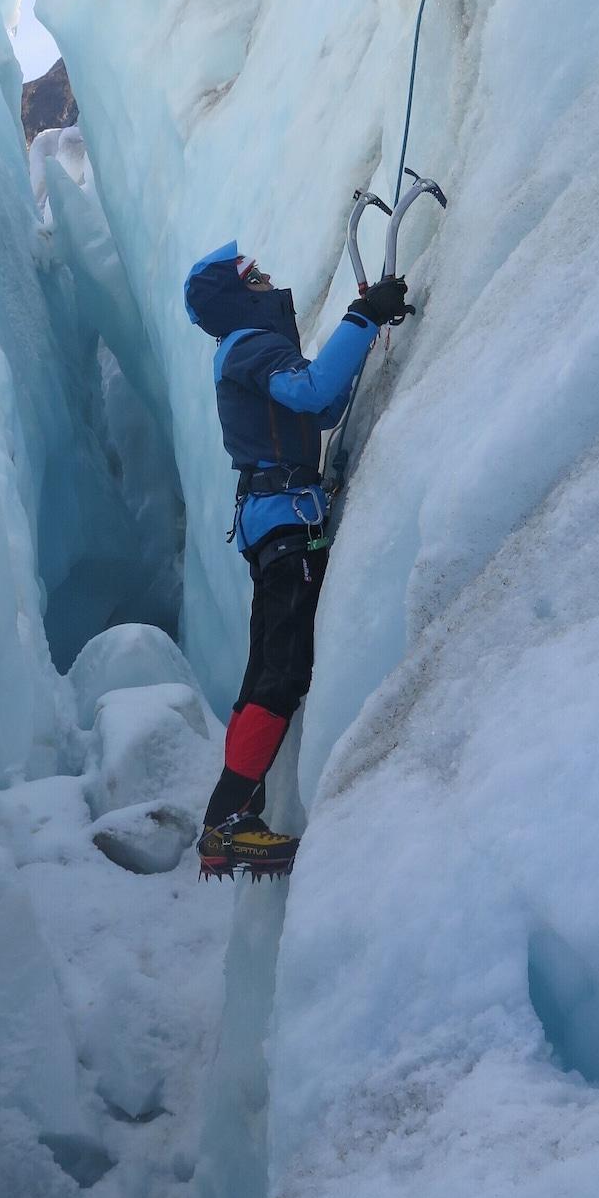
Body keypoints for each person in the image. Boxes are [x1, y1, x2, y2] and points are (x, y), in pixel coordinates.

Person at [182, 243, 410, 878]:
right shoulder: (251, 345)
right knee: (281, 670)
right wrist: (364, 316)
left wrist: (363, 332)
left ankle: (232, 812)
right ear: (235, 296)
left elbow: (323, 406)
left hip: (273, 518)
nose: (267, 277)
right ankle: (227, 819)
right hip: (285, 518)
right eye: (253, 275)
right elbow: (313, 393)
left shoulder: (249, 349)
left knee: (264, 671)